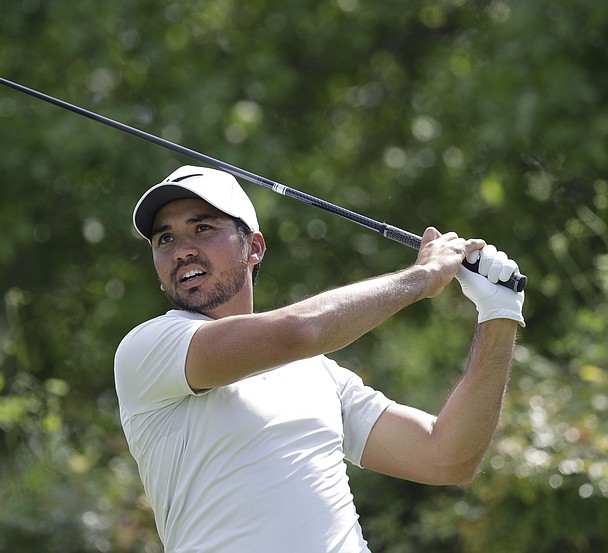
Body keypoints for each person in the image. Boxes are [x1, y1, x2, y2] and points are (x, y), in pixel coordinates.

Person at [114, 165, 525, 552]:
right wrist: (422, 277)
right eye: (164, 239)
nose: (182, 250)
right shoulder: (150, 348)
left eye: (202, 228)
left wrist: (499, 316)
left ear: (253, 247)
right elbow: (299, 332)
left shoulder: (318, 373)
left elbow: (447, 457)